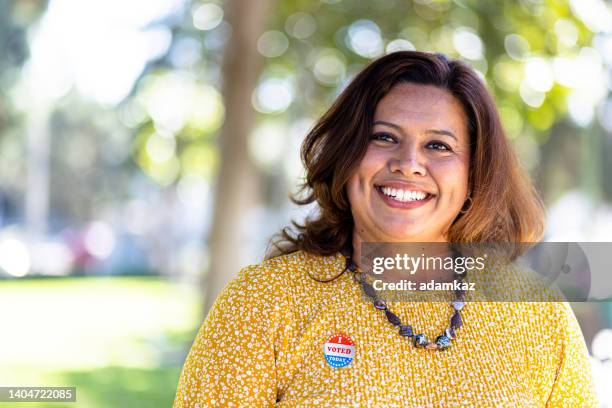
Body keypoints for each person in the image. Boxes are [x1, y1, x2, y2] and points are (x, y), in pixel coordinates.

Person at [173, 51, 599, 407]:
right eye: (383, 137)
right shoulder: (263, 303)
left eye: (438, 145)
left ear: (475, 173)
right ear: (347, 153)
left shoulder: (538, 312)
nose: (408, 162)